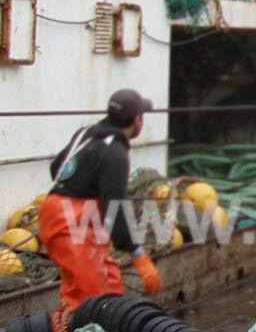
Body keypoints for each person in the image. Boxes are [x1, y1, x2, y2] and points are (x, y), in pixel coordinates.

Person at [39, 88, 163, 323]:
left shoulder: (85, 133)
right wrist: (137, 254)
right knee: (89, 299)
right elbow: (114, 207)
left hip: (56, 210)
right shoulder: (114, 152)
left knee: (109, 285)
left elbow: (58, 167)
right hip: (70, 221)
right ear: (137, 120)